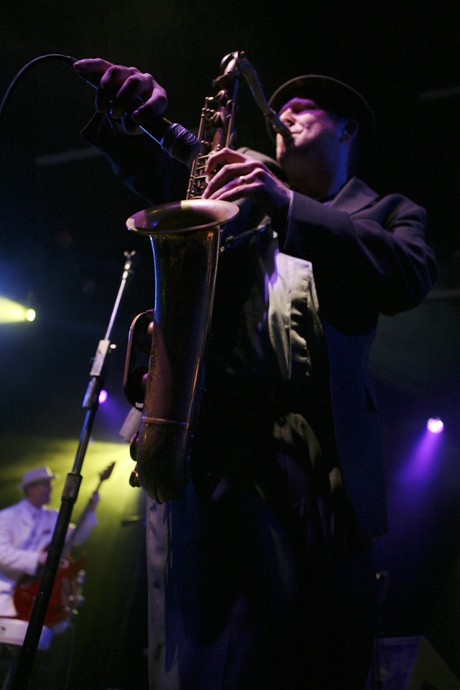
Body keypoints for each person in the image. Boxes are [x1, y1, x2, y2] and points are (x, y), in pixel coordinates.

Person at [72, 57, 437, 690]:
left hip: (331, 463)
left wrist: (287, 205)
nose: (283, 114)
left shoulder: (386, 211)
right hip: (230, 448)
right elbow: (164, 172)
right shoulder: (243, 186)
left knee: (330, 649)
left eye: (303, 107)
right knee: (238, 654)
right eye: (280, 107)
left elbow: (408, 273)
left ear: (347, 129)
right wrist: (135, 119)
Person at [0, 465, 99, 686]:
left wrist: (91, 510)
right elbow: (1, 553)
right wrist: (37, 558)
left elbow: (77, 537)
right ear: (30, 488)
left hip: (40, 598)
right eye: (45, 484)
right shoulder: (7, 517)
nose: (50, 488)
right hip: (8, 599)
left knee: (35, 669)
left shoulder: (54, 517)